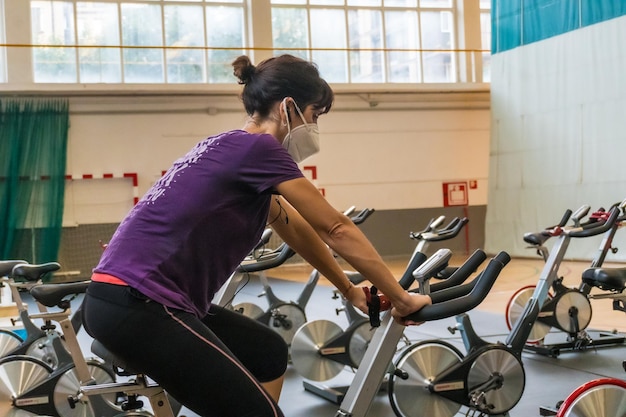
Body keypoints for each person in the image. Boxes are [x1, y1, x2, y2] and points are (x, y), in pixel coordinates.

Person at [82, 54, 431, 417]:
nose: (314, 127)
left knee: (267, 352)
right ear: (289, 107)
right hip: (142, 305)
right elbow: (336, 228)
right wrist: (400, 297)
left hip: (122, 300)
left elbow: (292, 225)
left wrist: (348, 289)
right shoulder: (260, 149)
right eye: (314, 115)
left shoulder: (227, 147)